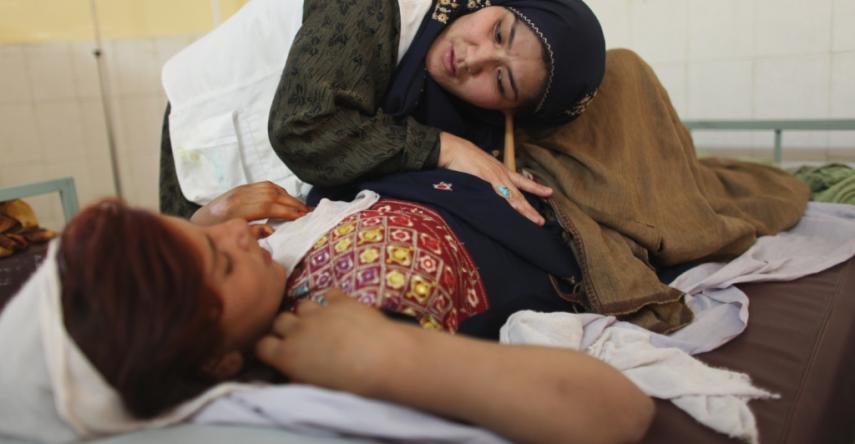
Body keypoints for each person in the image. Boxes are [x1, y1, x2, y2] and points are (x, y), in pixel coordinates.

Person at [48, 191, 653, 444]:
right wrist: (391, 357)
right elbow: (620, 410)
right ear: (216, 360)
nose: (237, 232)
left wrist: (204, 223)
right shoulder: (333, 358)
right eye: (219, 260)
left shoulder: (156, 298)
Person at [159, 0, 605, 227]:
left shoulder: (477, 118)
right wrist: (443, 148)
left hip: (281, 198)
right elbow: (303, 128)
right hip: (215, 142)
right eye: (499, 32)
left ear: (509, 110)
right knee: (186, 297)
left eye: (502, 80)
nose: (474, 58)